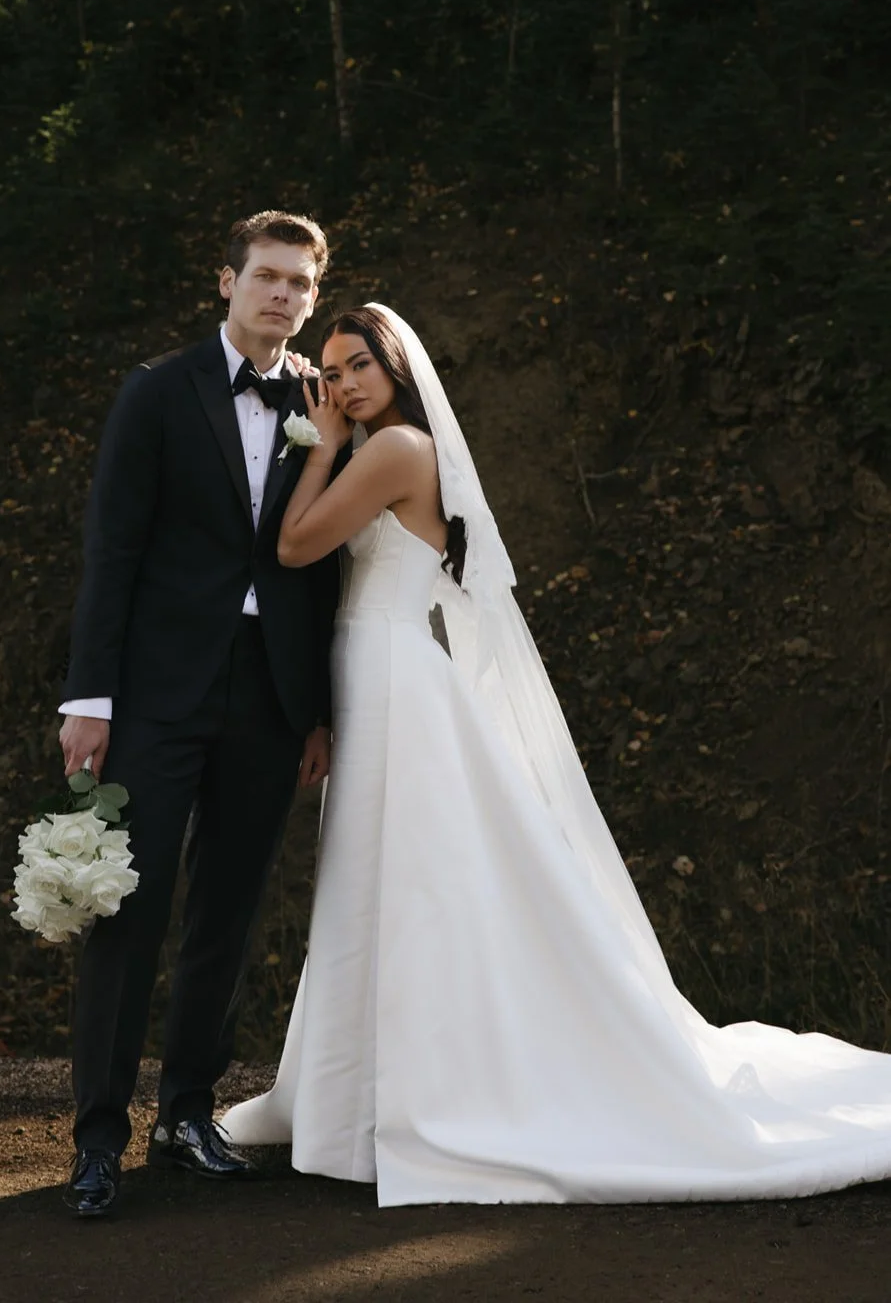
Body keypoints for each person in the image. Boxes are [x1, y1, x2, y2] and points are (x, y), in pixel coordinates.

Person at [221, 303, 891, 1206]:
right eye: (330, 372)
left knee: (401, 884)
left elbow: (297, 545)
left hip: (391, 676)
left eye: (356, 368)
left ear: (395, 369)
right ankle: (353, 1095)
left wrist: (318, 444)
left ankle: (391, 1099)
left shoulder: (394, 450)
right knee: (376, 885)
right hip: (376, 674)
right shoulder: (383, 446)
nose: (339, 385)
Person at [57, 211, 342, 1218]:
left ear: (312, 297)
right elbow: (112, 550)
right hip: (155, 697)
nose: (280, 295)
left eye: (299, 284)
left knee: (226, 910)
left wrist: (314, 711)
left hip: (268, 699)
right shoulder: (155, 392)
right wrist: (89, 700)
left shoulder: (321, 400)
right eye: (265, 275)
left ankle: (186, 1114)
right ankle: (97, 1138)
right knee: (126, 915)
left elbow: (326, 568)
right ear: (225, 282)